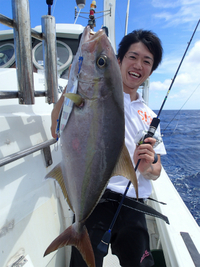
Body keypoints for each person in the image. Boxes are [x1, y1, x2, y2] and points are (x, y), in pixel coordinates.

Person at [51, 29, 166, 267]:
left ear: (151, 70)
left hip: (133, 205)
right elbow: (57, 124)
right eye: (133, 57)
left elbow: (156, 171)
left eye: (147, 61)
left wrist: (148, 166)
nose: (138, 65)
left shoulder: (150, 116)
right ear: (119, 60)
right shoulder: (94, 91)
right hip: (95, 202)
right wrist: (77, 77)